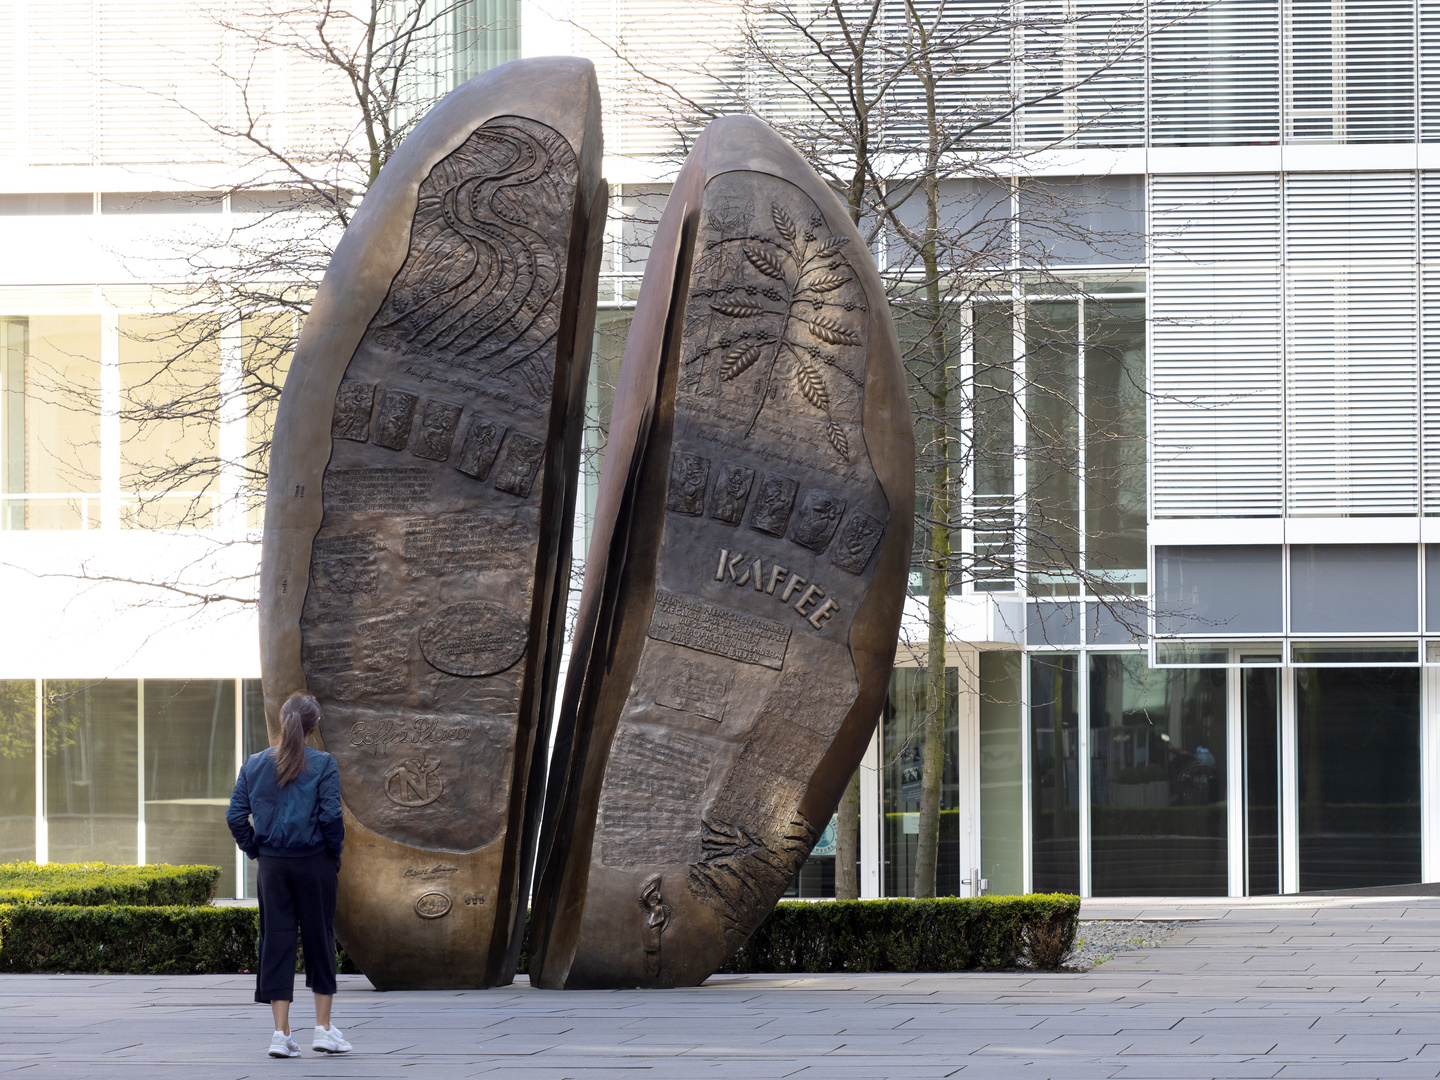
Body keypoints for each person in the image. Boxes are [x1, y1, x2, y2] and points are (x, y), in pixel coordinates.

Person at [227, 691, 352, 1058]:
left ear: (283, 722)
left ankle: (281, 1035)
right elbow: (331, 817)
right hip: (314, 862)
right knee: (319, 939)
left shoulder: (253, 764)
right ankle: (323, 1030)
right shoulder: (324, 763)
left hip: (272, 866)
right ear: (313, 728)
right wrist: (334, 852)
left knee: (276, 942)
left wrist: (256, 850)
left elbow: (236, 817)